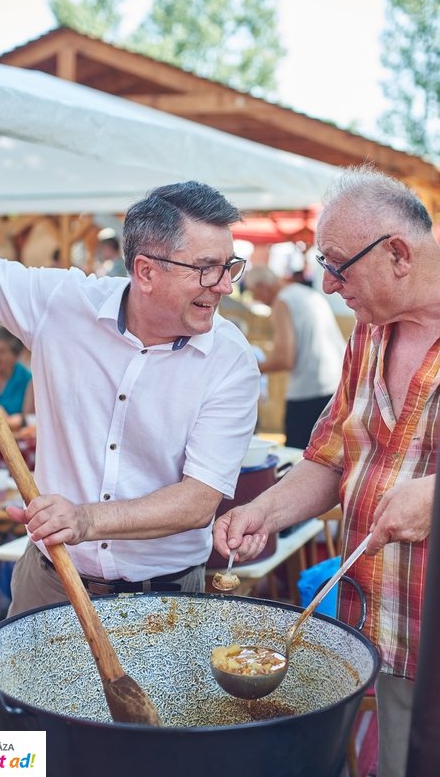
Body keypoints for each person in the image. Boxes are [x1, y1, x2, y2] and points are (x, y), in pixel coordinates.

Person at [0, 180, 260, 612]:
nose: (225, 285)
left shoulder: (230, 359)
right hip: (50, 581)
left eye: (230, 266)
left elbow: (197, 503)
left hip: (165, 598)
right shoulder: (63, 302)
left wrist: (84, 520)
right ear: (146, 271)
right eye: (208, 268)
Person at [213, 165, 439, 777]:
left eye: (338, 265)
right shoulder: (367, 336)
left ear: (397, 253)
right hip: (381, 623)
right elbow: (331, 457)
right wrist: (265, 510)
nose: (330, 285)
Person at [244, 264, 346, 448]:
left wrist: (247, 369)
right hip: (336, 384)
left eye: (253, 292)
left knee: (297, 454)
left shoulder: (282, 302)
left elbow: (284, 358)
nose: (255, 298)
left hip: (308, 392)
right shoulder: (305, 293)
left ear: (262, 286)